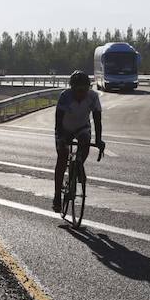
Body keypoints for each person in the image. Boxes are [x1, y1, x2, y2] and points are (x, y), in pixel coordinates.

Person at [53, 71, 104, 212]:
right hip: (64, 128)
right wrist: (61, 138)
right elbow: (58, 119)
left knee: (85, 141)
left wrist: (98, 139)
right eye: (78, 90)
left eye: (84, 90)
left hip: (82, 127)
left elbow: (98, 120)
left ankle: (78, 164)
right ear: (72, 89)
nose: (81, 94)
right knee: (62, 158)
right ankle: (57, 196)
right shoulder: (65, 96)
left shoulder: (93, 97)